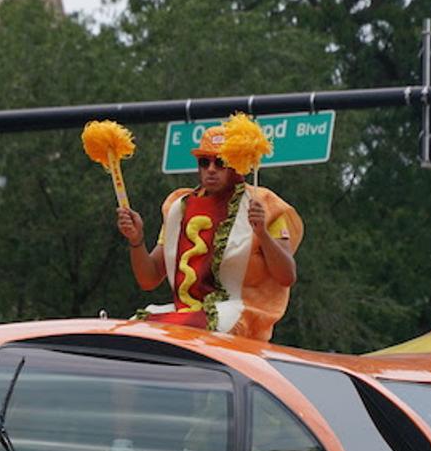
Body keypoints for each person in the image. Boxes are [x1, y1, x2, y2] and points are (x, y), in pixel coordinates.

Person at [116, 113, 302, 342]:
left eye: (220, 162)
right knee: (134, 331)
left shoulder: (263, 205)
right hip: (186, 314)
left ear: (236, 165)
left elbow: (287, 276)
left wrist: (262, 233)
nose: (211, 169)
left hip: (240, 316)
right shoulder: (178, 208)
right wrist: (136, 240)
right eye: (204, 162)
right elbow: (149, 279)